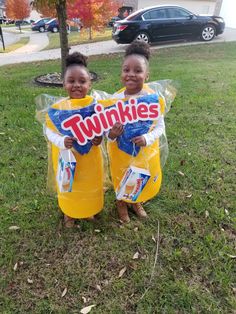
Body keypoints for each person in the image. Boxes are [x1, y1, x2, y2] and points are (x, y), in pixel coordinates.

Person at [107, 41, 165, 223]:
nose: (131, 74)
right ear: (121, 73)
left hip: (143, 151)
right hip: (120, 152)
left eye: (137, 70)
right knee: (121, 175)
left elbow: (160, 126)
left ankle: (135, 201)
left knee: (139, 175)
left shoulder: (153, 99)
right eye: (126, 69)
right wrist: (112, 134)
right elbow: (106, 134)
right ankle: (121, 203)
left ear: (147, 75)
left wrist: (147, 138)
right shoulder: (114, 100)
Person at [45, 52, 103, 227]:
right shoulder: (57, 109)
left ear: (89, 83)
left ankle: (87, 209)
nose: (76, 85)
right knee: (69, 185)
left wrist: (99, 138)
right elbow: (48, 132)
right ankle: (69, 212)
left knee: (88, 184)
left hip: (90, 160)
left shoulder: (96, 106)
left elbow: (103, 129)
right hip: (67, 159)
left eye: (82, 81)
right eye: (71, 81)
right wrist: (61, 141)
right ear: (64, 83)